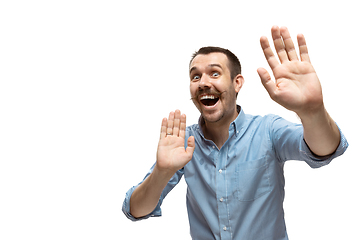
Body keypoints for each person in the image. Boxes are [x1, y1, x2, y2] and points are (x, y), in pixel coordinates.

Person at [122, 26, 348, 240]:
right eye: (195, 76)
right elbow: (135, 210)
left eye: (214, 73)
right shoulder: (183, 142)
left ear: (237, 83)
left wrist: (312, 111)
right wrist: (162, 172)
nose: (203, 83)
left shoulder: (267, 130)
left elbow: (325, 149)